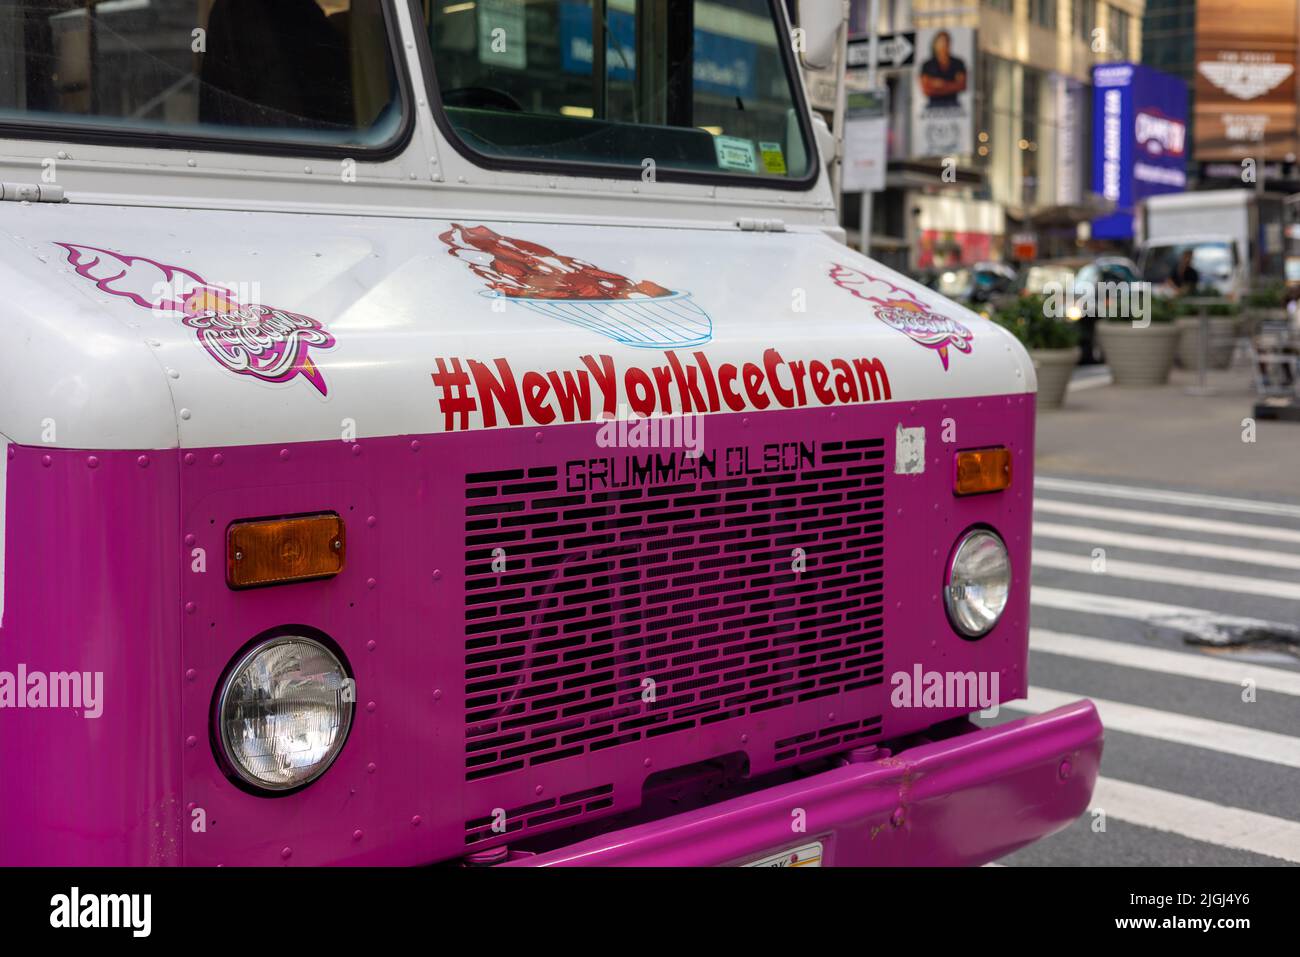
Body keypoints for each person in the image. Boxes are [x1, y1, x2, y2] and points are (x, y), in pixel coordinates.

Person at [919, 31, 967, 108]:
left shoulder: (958, 63)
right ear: (935, 45)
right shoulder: (927, 65)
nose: (943, 45)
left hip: (953, 105)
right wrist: (951, 85)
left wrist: (941, 84)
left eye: (946, 42)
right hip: (933, 107)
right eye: (941, 42)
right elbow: (926, 89)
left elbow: (961, 86)